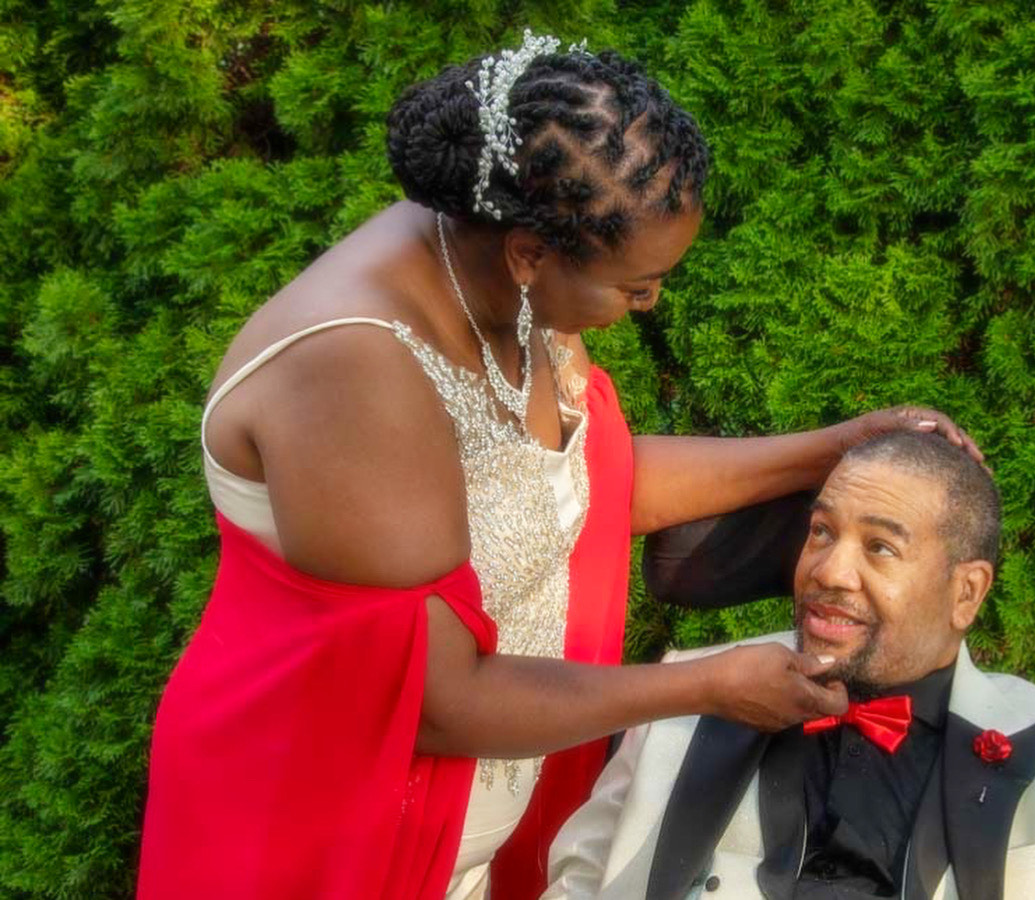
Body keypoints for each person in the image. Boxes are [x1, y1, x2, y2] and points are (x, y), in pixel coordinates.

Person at [135, 31, 983, 900]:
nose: (650, 304)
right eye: (637, 287)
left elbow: (581, 484)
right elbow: (431, 703)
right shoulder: (358, 371)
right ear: (531, 254)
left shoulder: (505, 257)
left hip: (471, 818)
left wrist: (833, 445)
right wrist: (706, 687)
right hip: (318, 833)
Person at [545, 430, 1035, 900]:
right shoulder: (689, 688)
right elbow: (578, 879)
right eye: (820, 532)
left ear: (965, 593)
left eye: (881, 547)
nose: (829, 572)